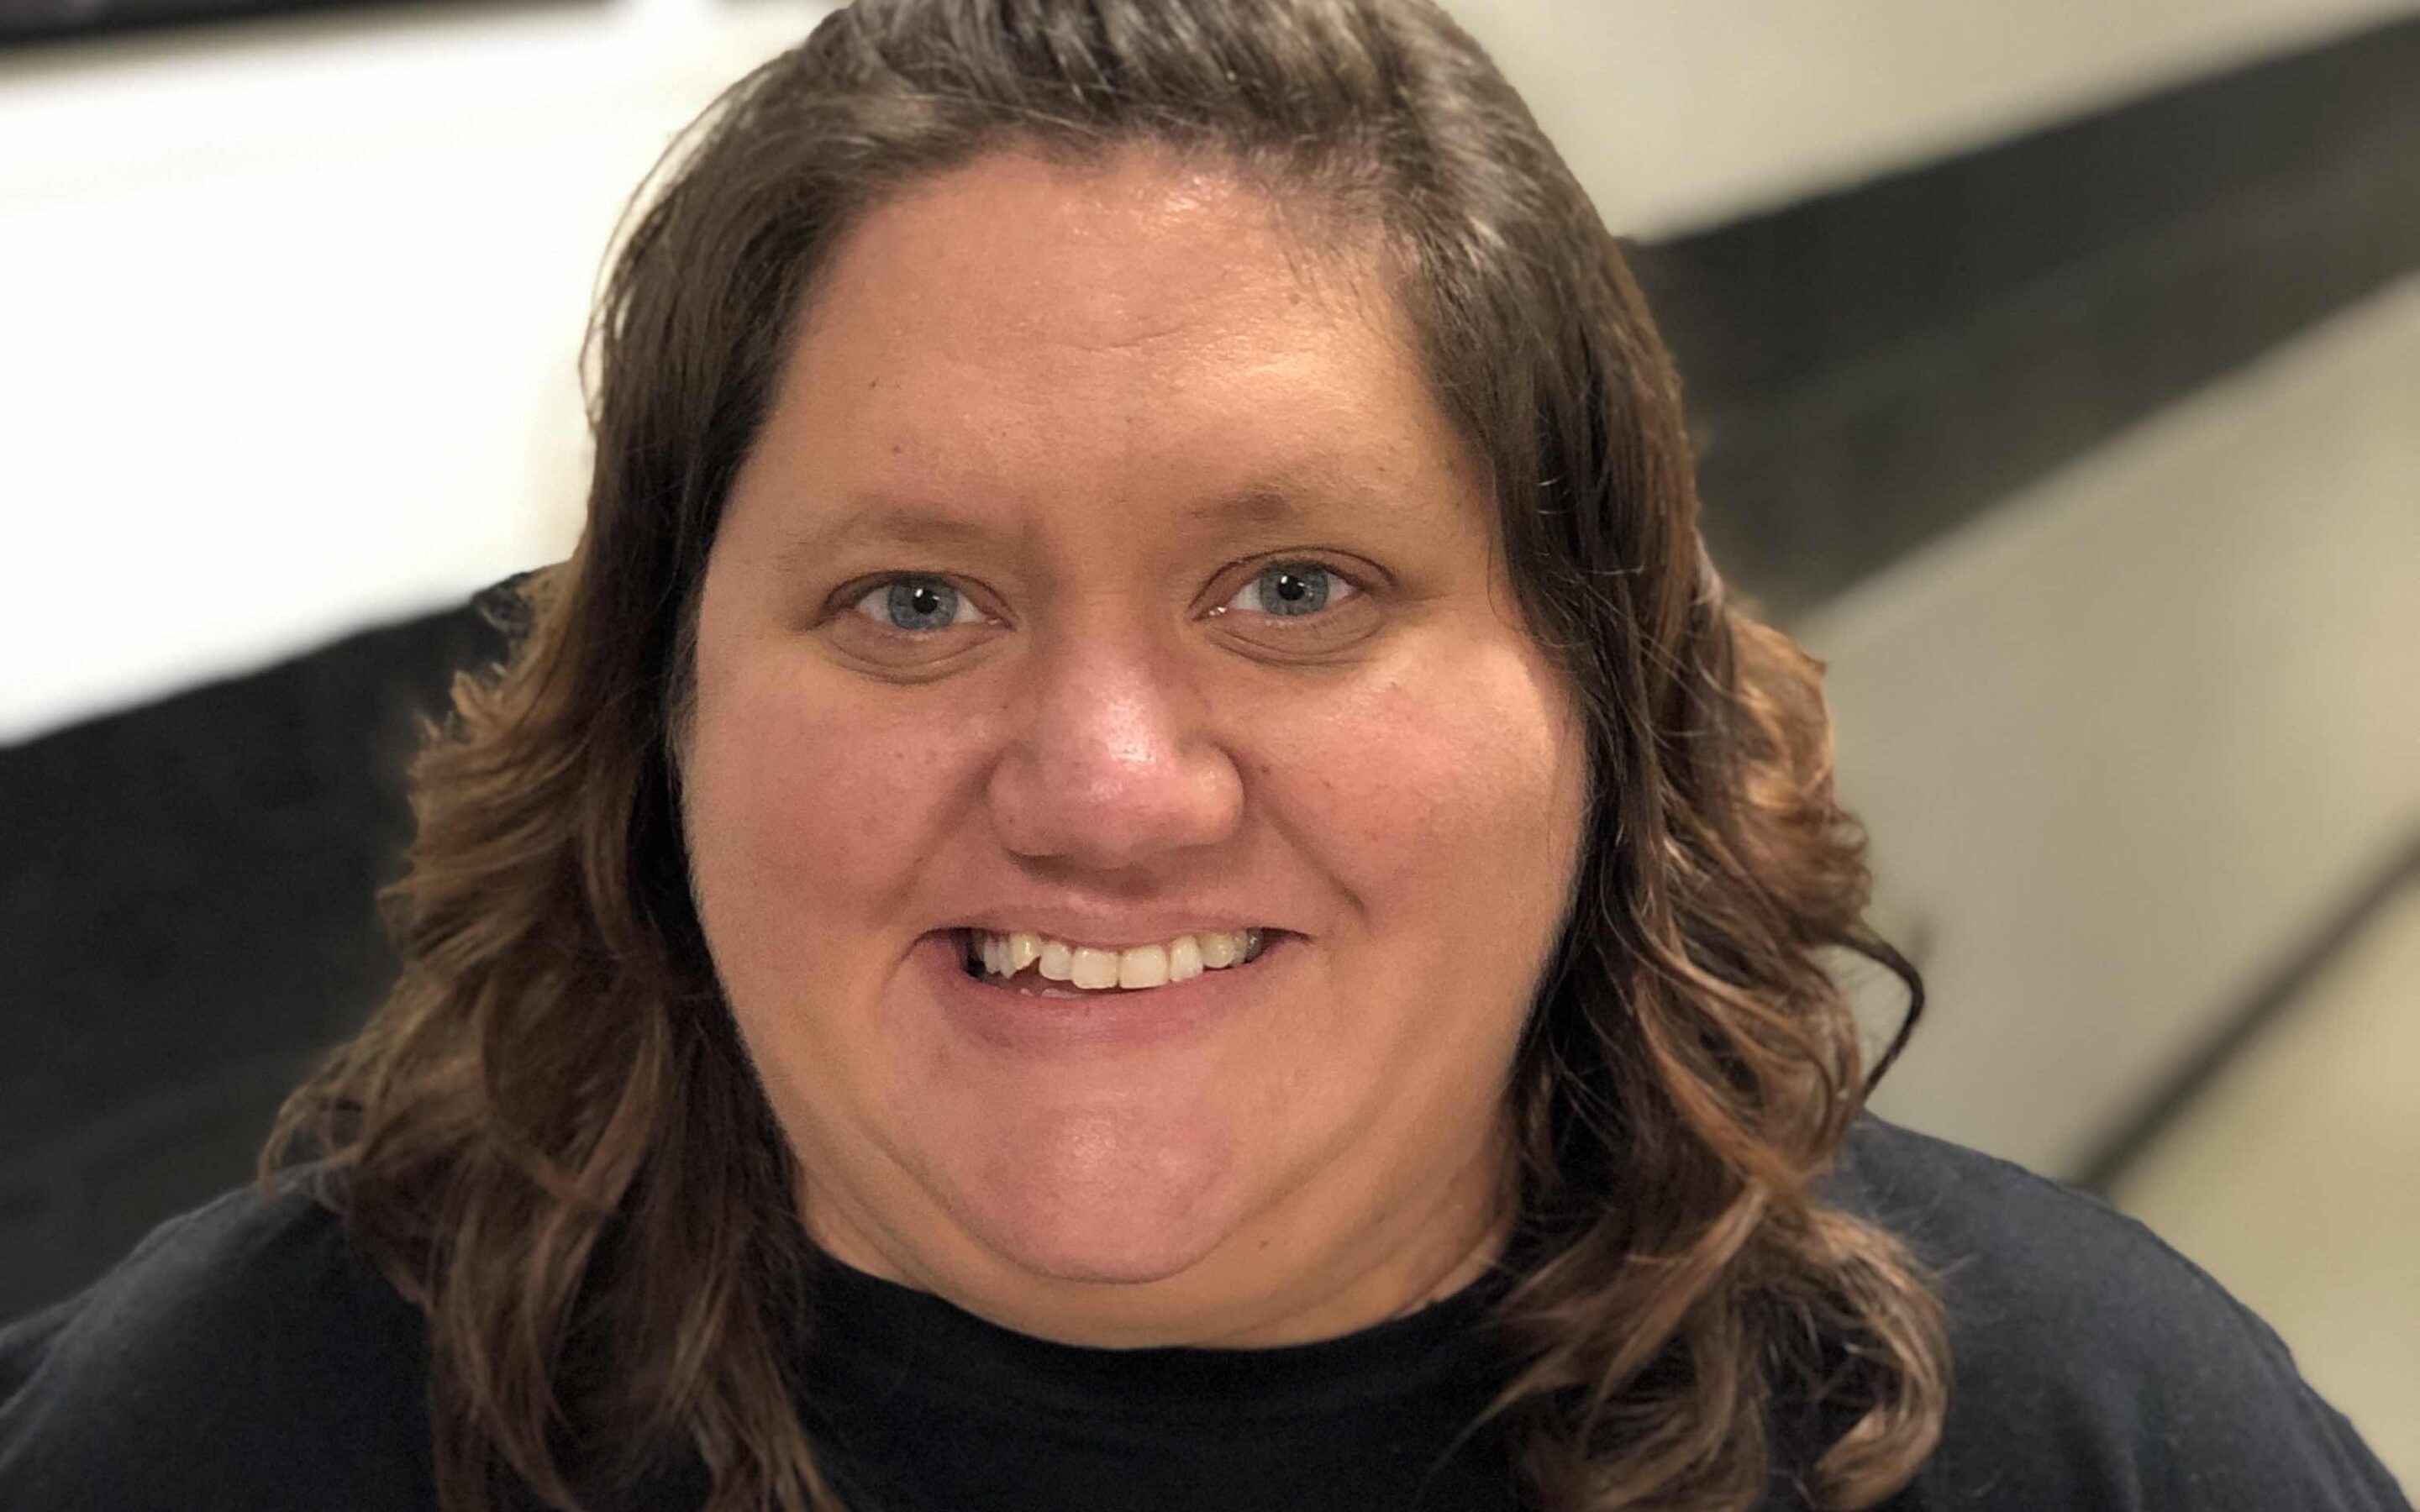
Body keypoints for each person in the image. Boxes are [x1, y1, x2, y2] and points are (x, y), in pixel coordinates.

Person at [0, 2, 2408, 1509]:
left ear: (1603, 706)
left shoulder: (2077, 1445)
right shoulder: (239, 1437)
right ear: (657, 715)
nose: (1108, 787)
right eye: (915, 603)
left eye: (1296, 591)